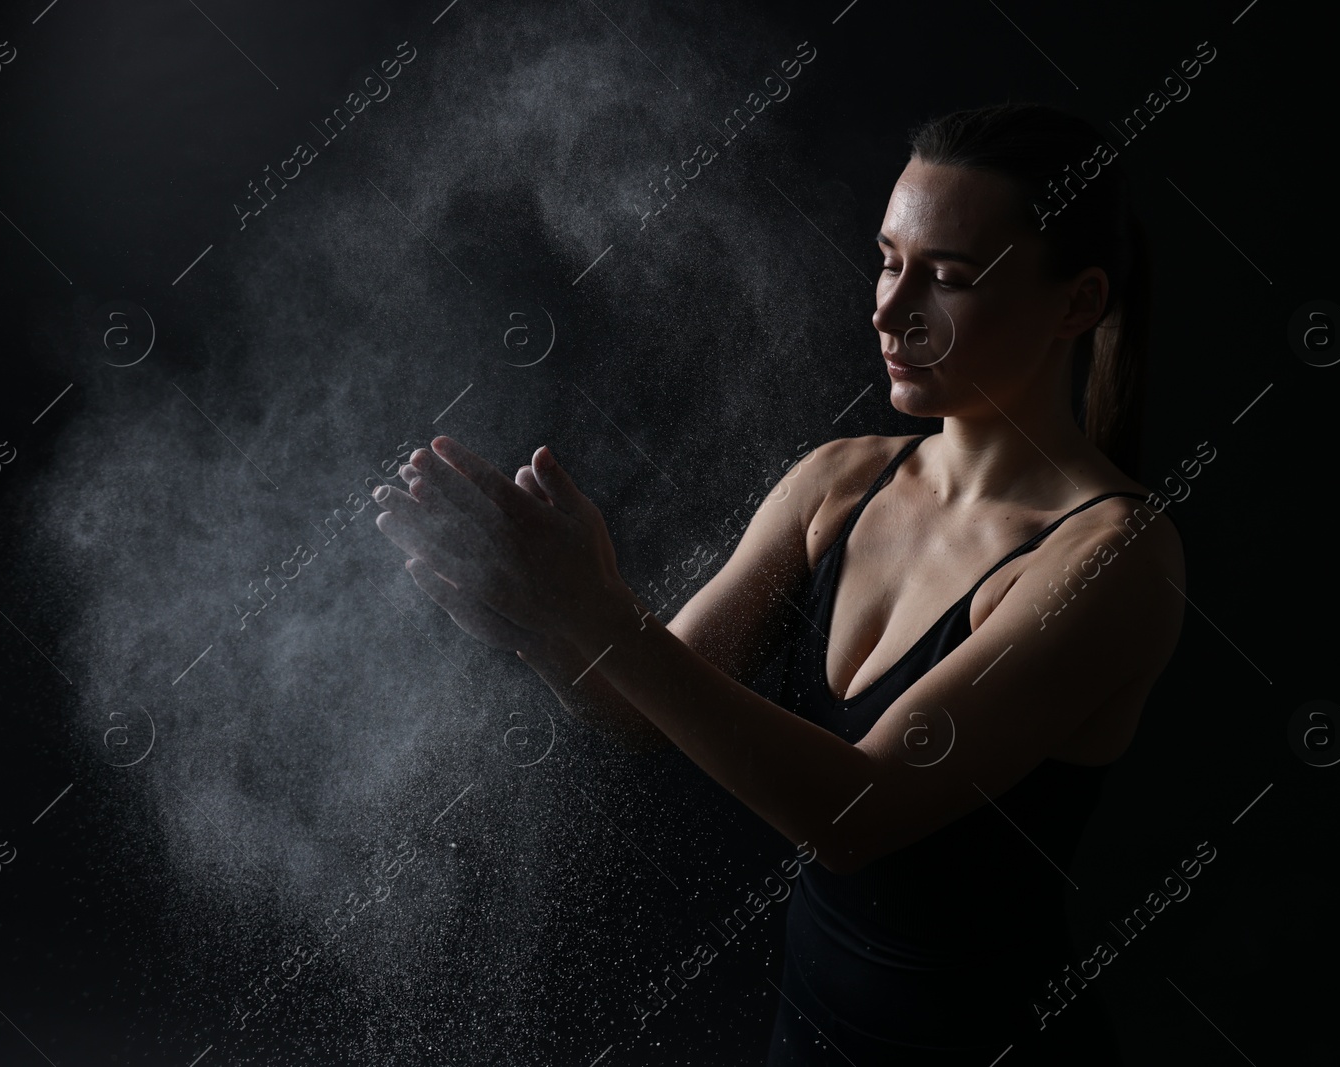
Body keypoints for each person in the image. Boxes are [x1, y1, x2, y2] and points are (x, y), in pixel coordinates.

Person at [370, 100, 1186, 1064]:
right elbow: (643, 704)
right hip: (805, 1036)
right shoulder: (838, 481)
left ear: (1077, 304)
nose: (889, 307)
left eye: (950, 279)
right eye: (888, 260)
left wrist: (599, 613)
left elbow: (858, 813)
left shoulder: (1111, 559)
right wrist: (535, 619)